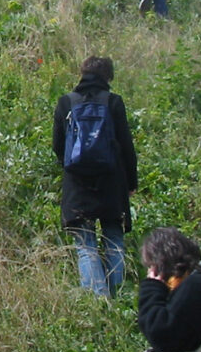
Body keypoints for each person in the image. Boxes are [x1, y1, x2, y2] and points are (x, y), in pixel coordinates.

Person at [51, 55, 138, 297]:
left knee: (85, 246)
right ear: (108, 77)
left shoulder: (66, 103)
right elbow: (127, 148)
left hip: (78, 184)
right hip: (112, 182)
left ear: (82, 73)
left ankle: (98, 304)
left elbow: (58, 145)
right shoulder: (113, 102)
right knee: (114, 240)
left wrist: (72, 167)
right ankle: (117, 299)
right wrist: (131, 183)